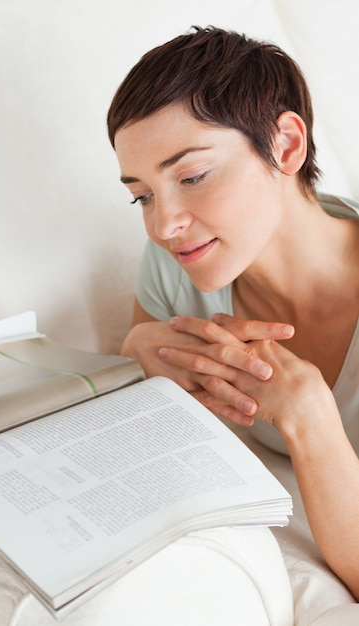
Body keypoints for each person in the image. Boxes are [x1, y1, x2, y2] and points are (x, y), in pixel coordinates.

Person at [107, 26, 359, 600]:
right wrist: (133, 360)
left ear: (286, 146)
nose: (162, 225)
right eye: (142, 195)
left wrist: (311, 419)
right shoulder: (174, 267)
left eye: (192, 176)